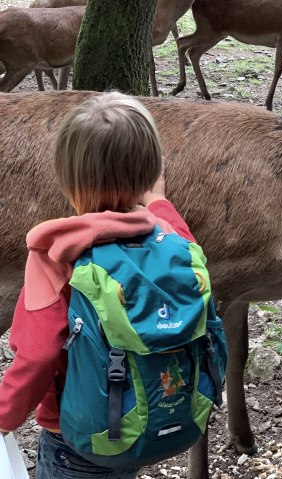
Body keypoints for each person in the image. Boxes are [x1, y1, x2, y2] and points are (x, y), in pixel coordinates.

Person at [0, 92, 197, 478]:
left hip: (77, 440)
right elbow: (185, 242)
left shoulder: (55, 255)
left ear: (66, 177)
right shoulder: (171, 242)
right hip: (145, 424)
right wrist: (158, 201)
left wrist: (5, 415)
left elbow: (38, 354)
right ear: (152, 171)